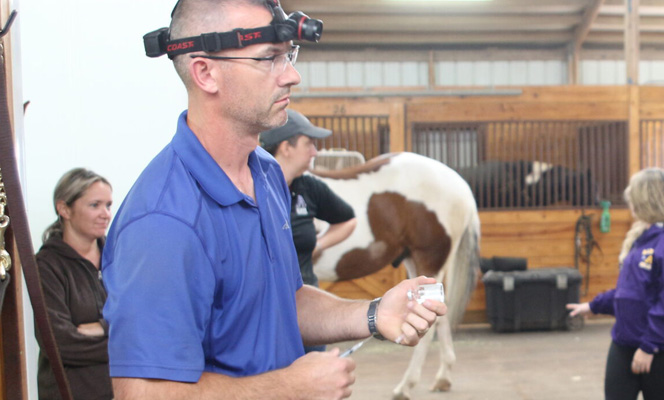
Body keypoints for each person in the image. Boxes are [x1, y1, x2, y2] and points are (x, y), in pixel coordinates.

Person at [101, 1, 446, 398]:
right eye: (269, 59)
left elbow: (283, 303)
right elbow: (141, 393)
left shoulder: (265, 173)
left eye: (289, 56)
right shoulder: (164, 222)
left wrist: (372, 312)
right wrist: (287, 388)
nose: (292, 76)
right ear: (205, 72)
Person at [566, 168, 664, 400]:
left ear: (645, 200)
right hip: (627, 336)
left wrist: (650, 346)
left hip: (662, 341)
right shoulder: (641, 238)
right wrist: (595, 306)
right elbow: (631, 291)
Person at [260, 110, 358, 352]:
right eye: (309, 144)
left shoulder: (309, 187)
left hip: (307, 309)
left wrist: (319, 245)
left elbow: (348, 219)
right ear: (286, 147)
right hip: (266, 316)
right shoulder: (254, 186)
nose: (315, 152)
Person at [36, 168, 114, 400]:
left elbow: (146, 319)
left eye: (108, 205)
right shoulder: (46, 266)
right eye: (95, 205)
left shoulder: (120, 257)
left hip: (121, 392)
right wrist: (128, 342)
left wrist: (102, 326)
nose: (106, 214)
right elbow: (60, 344)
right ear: (64, 209)